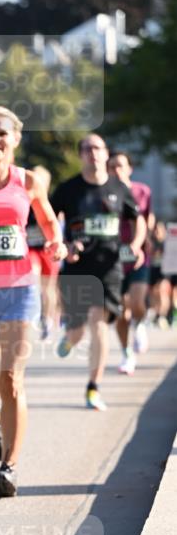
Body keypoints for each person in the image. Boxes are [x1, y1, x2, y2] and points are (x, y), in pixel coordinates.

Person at [0, 107, 67, 497]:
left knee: (11, 379)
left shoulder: (29, 181)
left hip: (20, 288)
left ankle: (10, 466)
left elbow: (50, 222)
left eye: (1, 134)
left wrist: (56, 243)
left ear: (15, 139)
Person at [51, 135, 142, 411]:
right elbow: (50, 221)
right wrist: (64, 245)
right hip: (78, 269)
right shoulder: (68, 190)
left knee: (99, 321)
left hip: (109, 267)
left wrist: (136, 246)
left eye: (97, 148)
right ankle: (69, 338)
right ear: (81, 155)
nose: (93, 153)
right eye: (87, 149)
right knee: (79, 331)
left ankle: (93, 387)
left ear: (105, 154)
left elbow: (137, 221)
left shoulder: (119, 188)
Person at [107, 150, 153, 374]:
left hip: (137, 255)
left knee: (137, 302)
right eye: (112, 166)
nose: (116, 170)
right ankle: (126, 353)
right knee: (119, 312)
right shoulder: (102, 193)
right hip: (112, 258)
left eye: (120, 166)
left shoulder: (142, 191)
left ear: (129, 169)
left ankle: (141, 323)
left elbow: (146, 219)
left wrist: (141, 243)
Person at [26, 165, 61, 339]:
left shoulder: (52, 202)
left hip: (47, 248)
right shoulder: (25, 199)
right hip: (30, 248)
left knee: (49, 287)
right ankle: (33, 310)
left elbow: (58, 223)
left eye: (41, 179)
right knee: (33, 274)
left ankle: (47, 319)